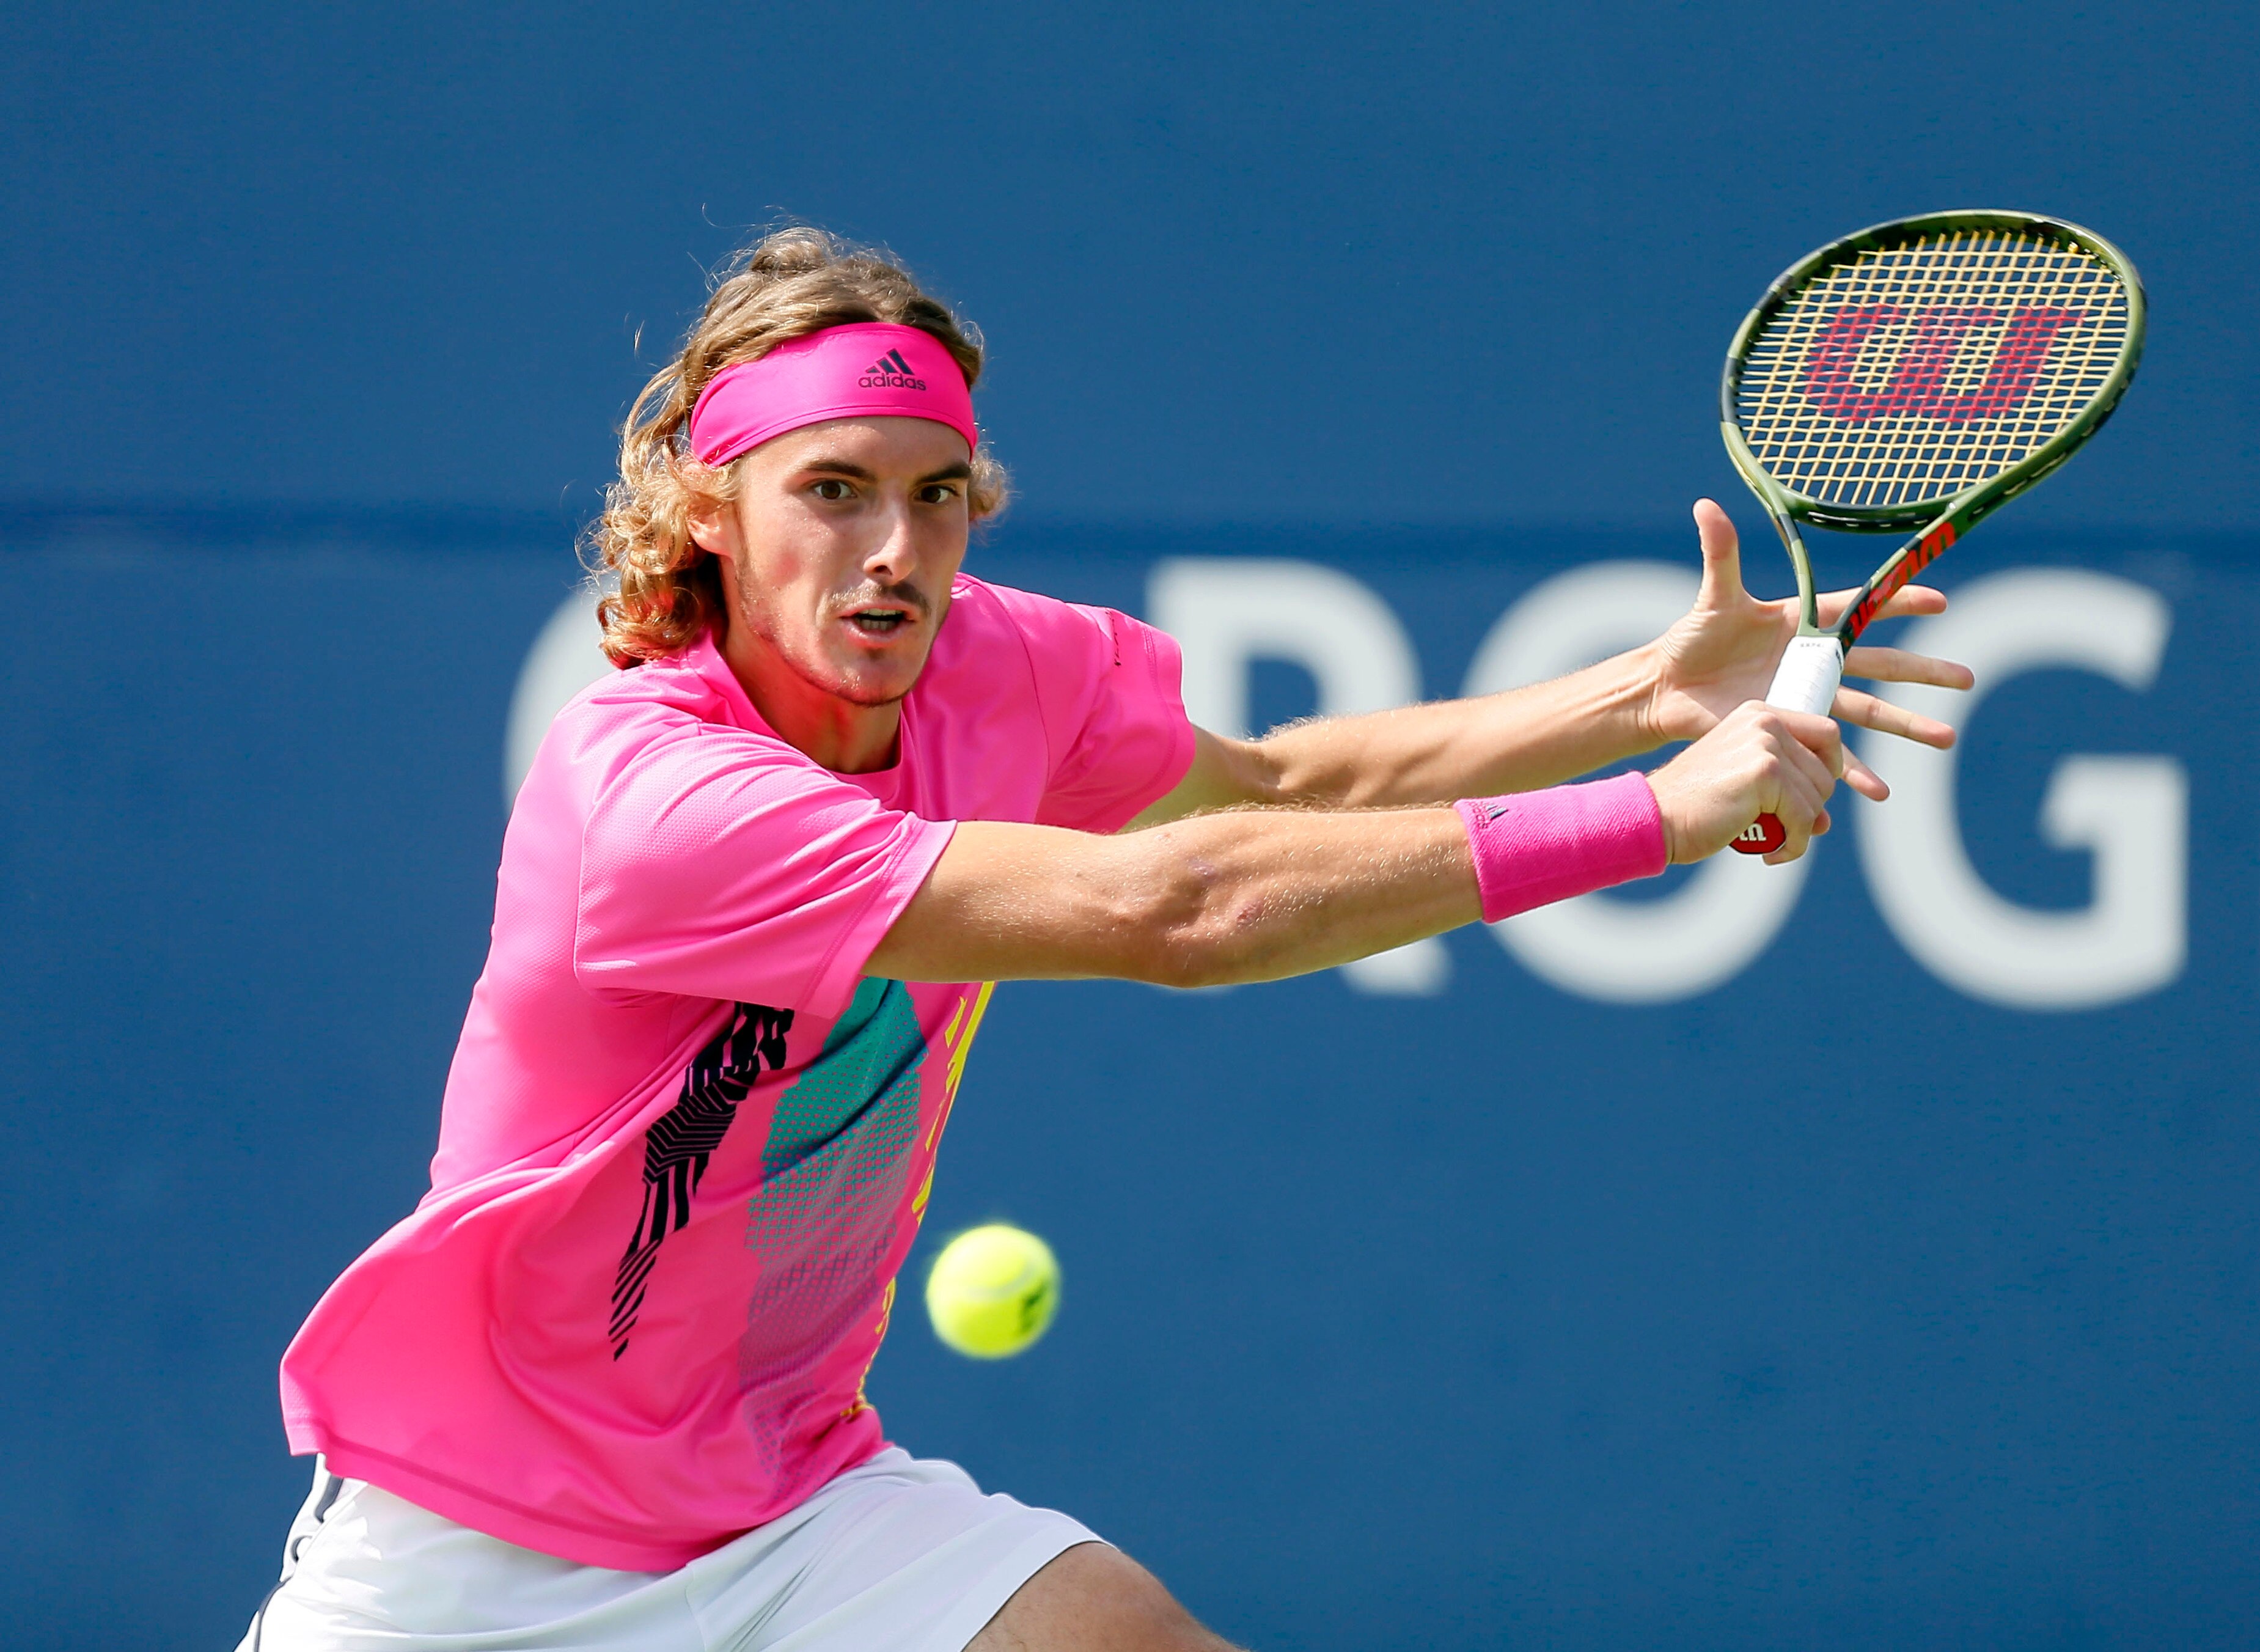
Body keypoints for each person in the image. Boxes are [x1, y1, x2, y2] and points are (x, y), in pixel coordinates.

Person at [238, 227, 1970, 1652]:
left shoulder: (997, 667)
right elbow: (1180, 909)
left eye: (937, 497)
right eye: (831, 491)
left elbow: (1281, 776)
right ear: (710, 508)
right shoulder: (656, 800)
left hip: (784, 1498)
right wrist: (1658, 816)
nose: (894, 551)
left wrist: (1638, 694)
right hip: (477, 1553)